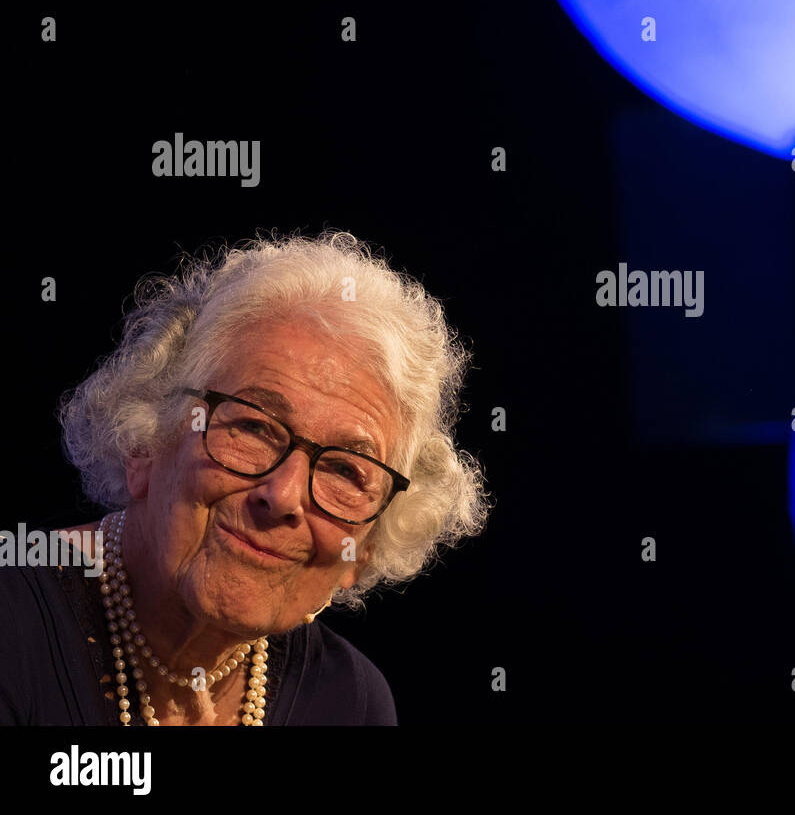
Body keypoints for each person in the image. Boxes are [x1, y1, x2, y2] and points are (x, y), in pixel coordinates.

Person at [0, 230, 490, 725]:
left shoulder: (351, 703)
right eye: (254, 427)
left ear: (364, 549)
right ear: (145, 442)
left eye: (346, 469)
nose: (281, 496)